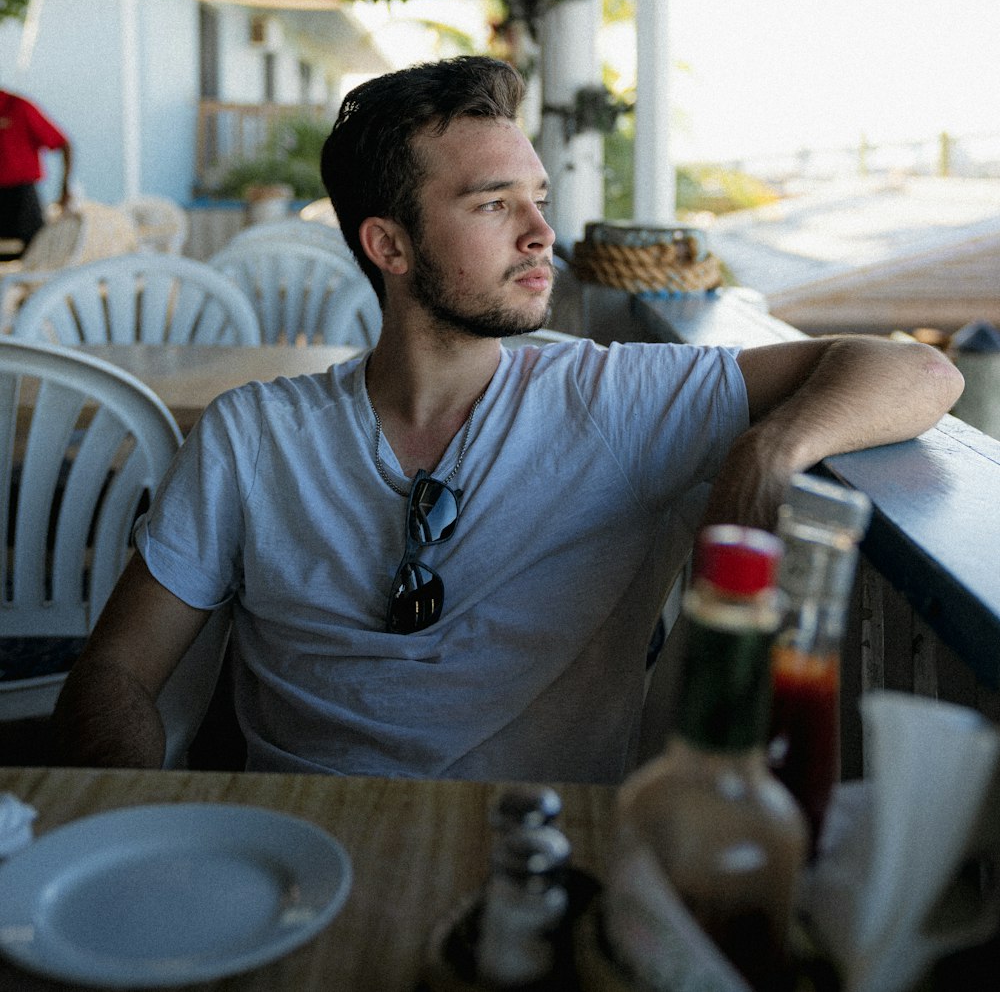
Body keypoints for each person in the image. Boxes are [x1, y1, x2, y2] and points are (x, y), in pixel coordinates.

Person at [51, 57, 962, 780]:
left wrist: (774, 448)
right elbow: (115, 673)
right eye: (494, 205)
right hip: (291, 845)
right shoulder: (253, 436)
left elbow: (915, 368)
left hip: (530, 857)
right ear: (389, 245)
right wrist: (130, 802)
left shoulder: (609, 400)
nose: (541, 234)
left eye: (539, 201)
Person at [0, 88, 73, 251]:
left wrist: (64, 188)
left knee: (35, 250)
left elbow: (63, 144)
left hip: (21, 197)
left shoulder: (18, 106)